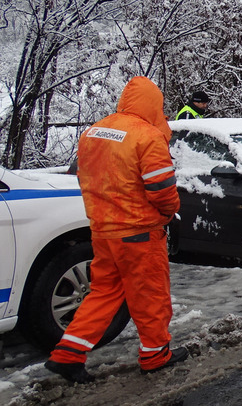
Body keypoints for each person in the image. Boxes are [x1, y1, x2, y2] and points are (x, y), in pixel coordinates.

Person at [46, 77, 186, 383]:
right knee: (150, 296)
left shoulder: (94, 132)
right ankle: (155, 354)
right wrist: (168, 213)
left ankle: (68, 354)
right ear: (153, 104)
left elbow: (84, 177)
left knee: (103, 292)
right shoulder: (146, 136)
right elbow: (162, 188)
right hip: (139, 231)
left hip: (103, 230)